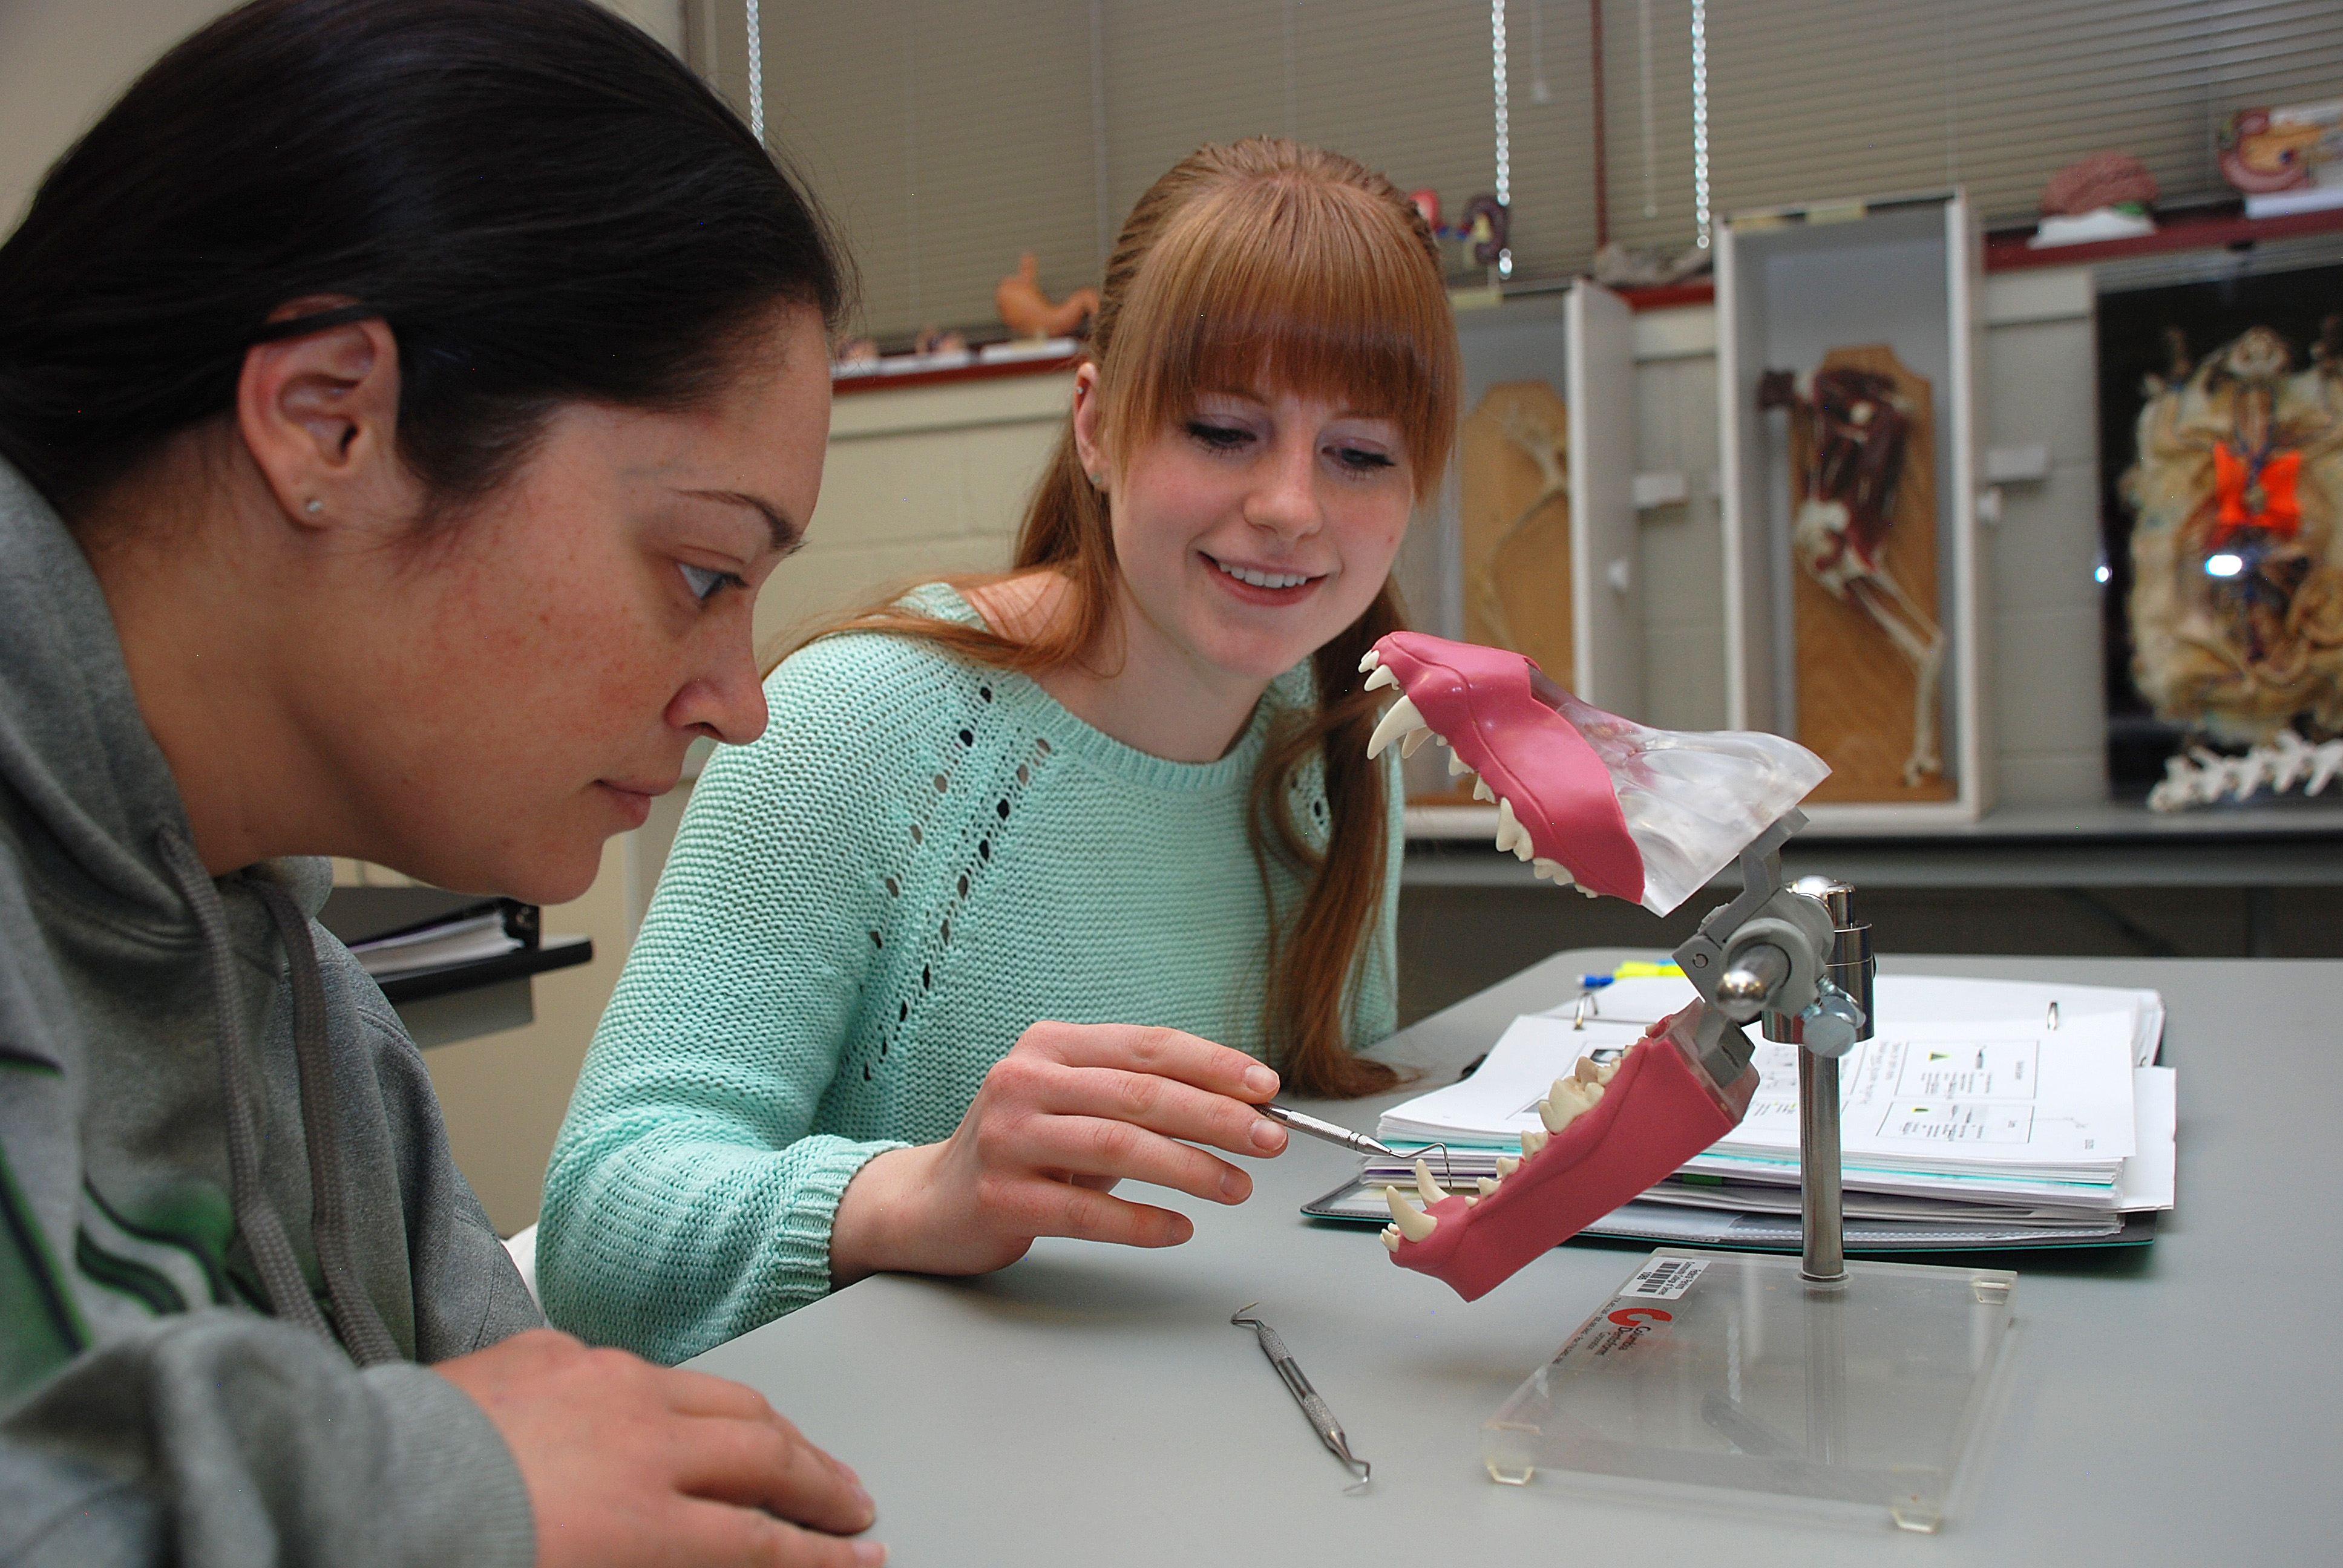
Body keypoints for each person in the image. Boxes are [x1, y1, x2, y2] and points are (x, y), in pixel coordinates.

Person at [0, 2, 884, 1563]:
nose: (741, 706)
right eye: (698, 570)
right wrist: (438, 1489)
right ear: (330, 421)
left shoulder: (312, 1022)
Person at [539, 139, 1461, 1364]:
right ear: (1094, 424)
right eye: (1223, 430)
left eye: (1358, 454)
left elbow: (1306, 1173)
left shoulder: (1340, 737)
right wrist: (920, 1195)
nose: (1292, 506)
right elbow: (599, 1227)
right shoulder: (858, 726)